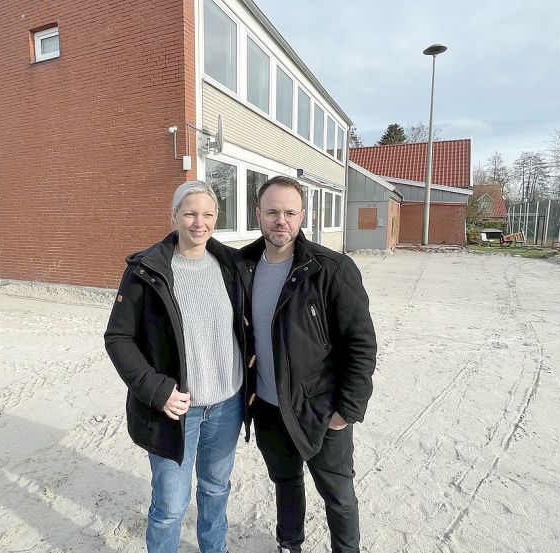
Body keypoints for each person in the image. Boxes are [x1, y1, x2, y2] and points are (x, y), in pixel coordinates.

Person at [104, 180, 251, 553]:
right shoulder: (146, 270)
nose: (198, 222)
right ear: (173, 216)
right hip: (175, 412)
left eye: (207, 214)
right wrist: (157, 390)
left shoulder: (231, 266)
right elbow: (118, 338)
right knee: (170, 506)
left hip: (227, 405)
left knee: (216, 491)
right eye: (189, 213)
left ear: (217, 217)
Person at [239, 176, 377, 553]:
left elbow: (361, 344)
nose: (280, 220)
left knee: (338, 492)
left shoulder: (331, 268)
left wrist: (346, 411)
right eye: (271, 212)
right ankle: (289, 544)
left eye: (288, 212)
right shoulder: (242, 267)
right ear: (258, 215)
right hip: (268, 407)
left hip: (320, 406)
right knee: (285, 481)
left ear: (302, 216)